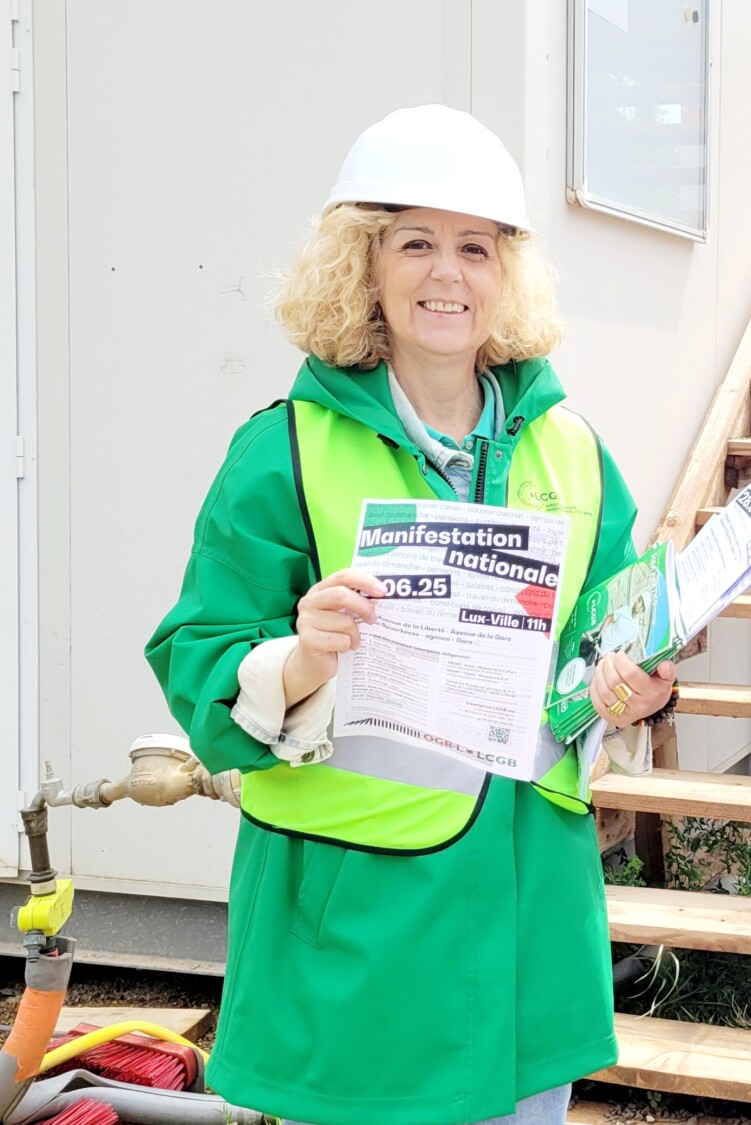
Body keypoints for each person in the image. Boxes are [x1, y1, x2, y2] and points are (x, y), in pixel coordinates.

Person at [146, 105, 675, 1125]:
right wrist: (299, 658)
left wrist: (633, 686)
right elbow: (199, 659)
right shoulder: (283, 450)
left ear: (505, 272)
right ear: (365, 265)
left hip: (529, 922)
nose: (447, 274)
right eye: (415, 243)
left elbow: (611, 638)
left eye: (475, 247)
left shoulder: (571, 451)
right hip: (362, 935)